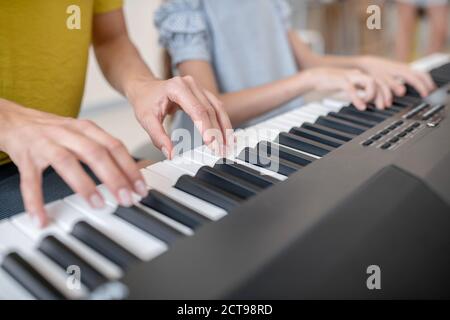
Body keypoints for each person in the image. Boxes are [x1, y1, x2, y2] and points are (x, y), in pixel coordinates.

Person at [0, 1, 232, 227]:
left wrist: (142, 84)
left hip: (59, 151)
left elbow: (111, 38)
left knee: (189, 202)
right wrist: (9, 120)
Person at [154, 0, 435, 138]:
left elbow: (311, 62)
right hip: (219, 150)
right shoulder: (187, 7)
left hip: (281, 131)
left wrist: (365, 63)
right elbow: (211, 109)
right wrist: (308, 80)